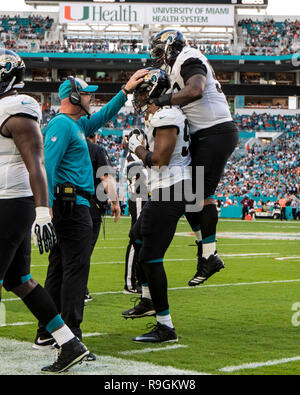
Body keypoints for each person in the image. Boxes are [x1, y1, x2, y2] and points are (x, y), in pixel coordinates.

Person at [34, 70, 147, 348]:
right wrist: (44, 207)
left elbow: (103, 115)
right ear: (73, 96)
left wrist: (125, 91)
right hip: (72, 206)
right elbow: (46, 166)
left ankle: (48, 332)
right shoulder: (63, 124)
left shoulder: (75, 124)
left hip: (71, 204)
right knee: (74, 271)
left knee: (60, 269)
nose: (91, 98)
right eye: (86, 93)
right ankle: (70, 335)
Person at [0, 49, 89, 373]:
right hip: (8, 202)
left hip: (11, 204)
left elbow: (37, 162)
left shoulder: (17, 108)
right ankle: (69, 343)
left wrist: (42, 212)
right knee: (20, 280)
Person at [150, 30, 239, 286]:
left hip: (215, 132)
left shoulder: (188, 59)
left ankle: (209, 255)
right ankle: (206, 251)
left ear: (171, 47)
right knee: (192, 196)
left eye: (159, 51)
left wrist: (164, 99)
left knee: (199, 195)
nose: (159, 58)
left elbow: (196, 89)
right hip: (209, 133)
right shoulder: (178, 64)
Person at [122, 68, 191, 343]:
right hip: (167, 188)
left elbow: (160, 159)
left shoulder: (166, 114)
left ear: (152, 90)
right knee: (136, 236)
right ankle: (149, 299)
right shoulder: (163, 115)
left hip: (172, 188)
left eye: (141, 90)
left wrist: (136, 147)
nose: (138, 96)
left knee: (150, 256)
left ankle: (166, 326)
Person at [85, 132, 121, 302]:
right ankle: (79, 289)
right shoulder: (96, 150)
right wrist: (115, 202)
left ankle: (58, 290)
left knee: (62, 251)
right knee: (84, 251)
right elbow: (106, 178)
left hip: (62, 205)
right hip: (89, 206)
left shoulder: (65, 146)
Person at [123, 133, 149, 295]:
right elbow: (143, 179)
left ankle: (140, 278)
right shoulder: (133, 157)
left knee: (144, 240)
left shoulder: (137, 157)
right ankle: (130, 282)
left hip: (144, 198)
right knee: (136, 239)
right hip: (139, 197)